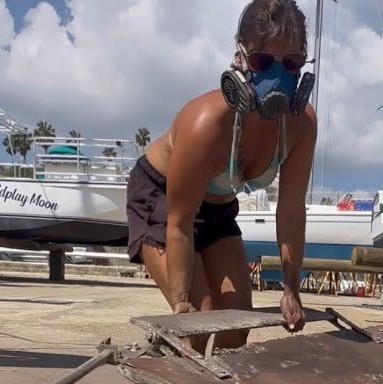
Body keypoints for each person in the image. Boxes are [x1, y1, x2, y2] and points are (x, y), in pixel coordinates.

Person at [125, 0, 317, 351]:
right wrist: (182, 305)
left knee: (235, 328)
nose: (277, 75)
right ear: (241, 58)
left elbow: (290, 210)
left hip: (219, 210)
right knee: (201, 324)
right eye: (262, 61)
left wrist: (292, 289)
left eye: (290, 63)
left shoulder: (302, 124)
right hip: (163, 201)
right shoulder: (207, 123)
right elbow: (179, 222)